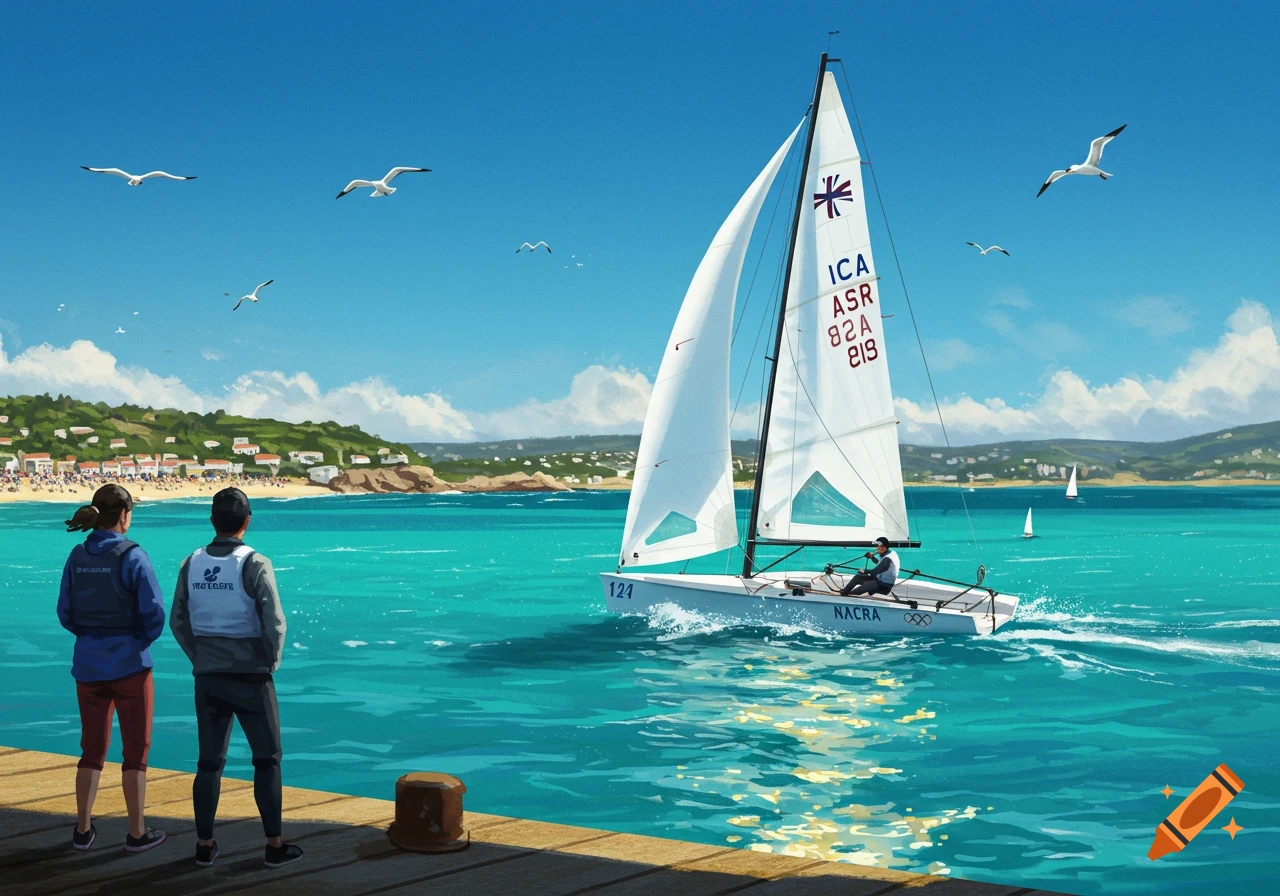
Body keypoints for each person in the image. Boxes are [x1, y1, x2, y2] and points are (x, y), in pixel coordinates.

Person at [169, 487, 302, 869]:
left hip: (208, 675)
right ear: (247, 521)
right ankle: (274, 844)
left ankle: (204, 844)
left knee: (209, 761)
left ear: (212, 521)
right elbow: (274, 622)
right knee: (268, 759)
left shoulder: (190, 563)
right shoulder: (255, 562)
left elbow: (178, 620)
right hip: (251, 675)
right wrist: (270, 663)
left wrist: (200, 656)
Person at [58, 484, 167, 854]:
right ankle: (137, 832)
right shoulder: (133, 556)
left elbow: (65, 613)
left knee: (91, 748)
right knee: (135, 751)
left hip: (87, 664)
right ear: (123, 515)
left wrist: (92, 637)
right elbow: (154, 615)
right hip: (131, 666)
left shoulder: (77, 555)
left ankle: (83, 829)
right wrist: (133, 641)